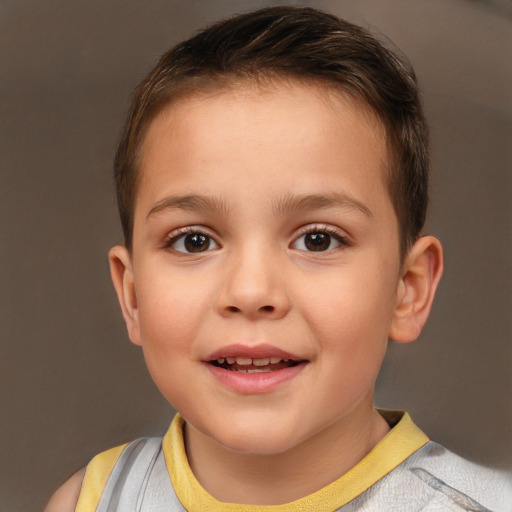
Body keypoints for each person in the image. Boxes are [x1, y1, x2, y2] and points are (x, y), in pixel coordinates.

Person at [45, 6, 511, 511]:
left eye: (317, 240)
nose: (250, 292)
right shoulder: (92, 500)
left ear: (408, 289)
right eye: (194, 241)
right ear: (132, 295)